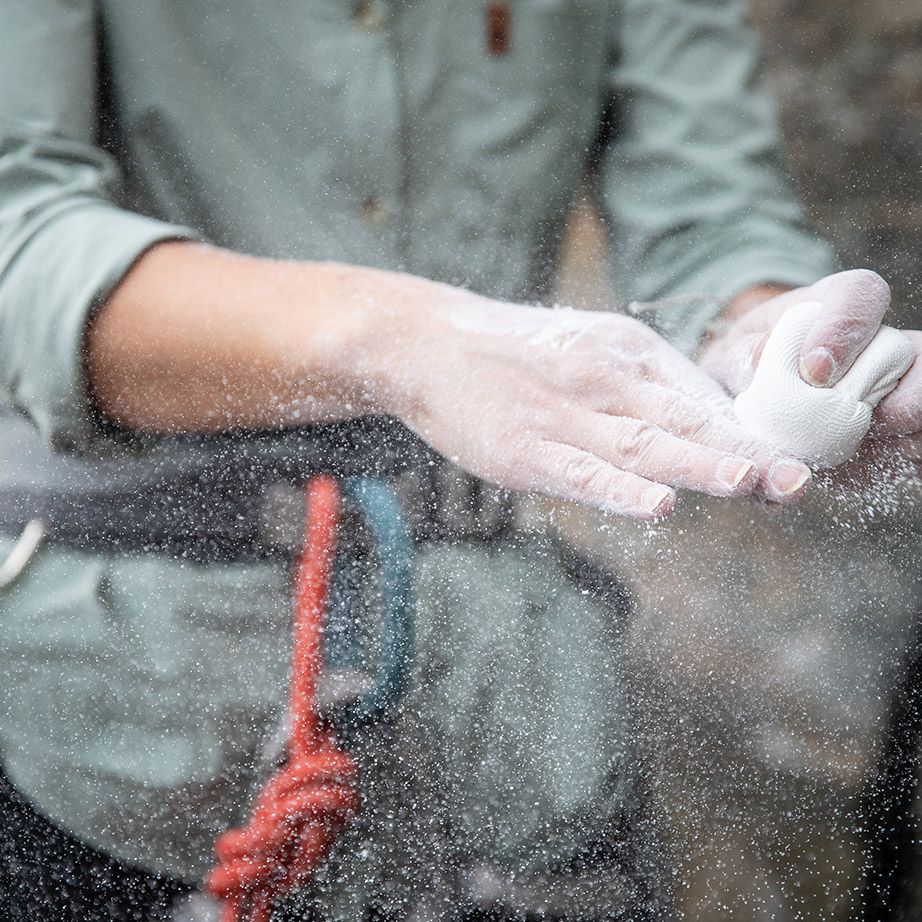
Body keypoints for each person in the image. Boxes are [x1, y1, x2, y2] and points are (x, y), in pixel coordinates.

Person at [1, 2, 921, 920]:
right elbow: (17, 234)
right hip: (112, 692)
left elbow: (711, 214)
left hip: (516, 708)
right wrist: (403, 343)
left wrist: (776, 348)